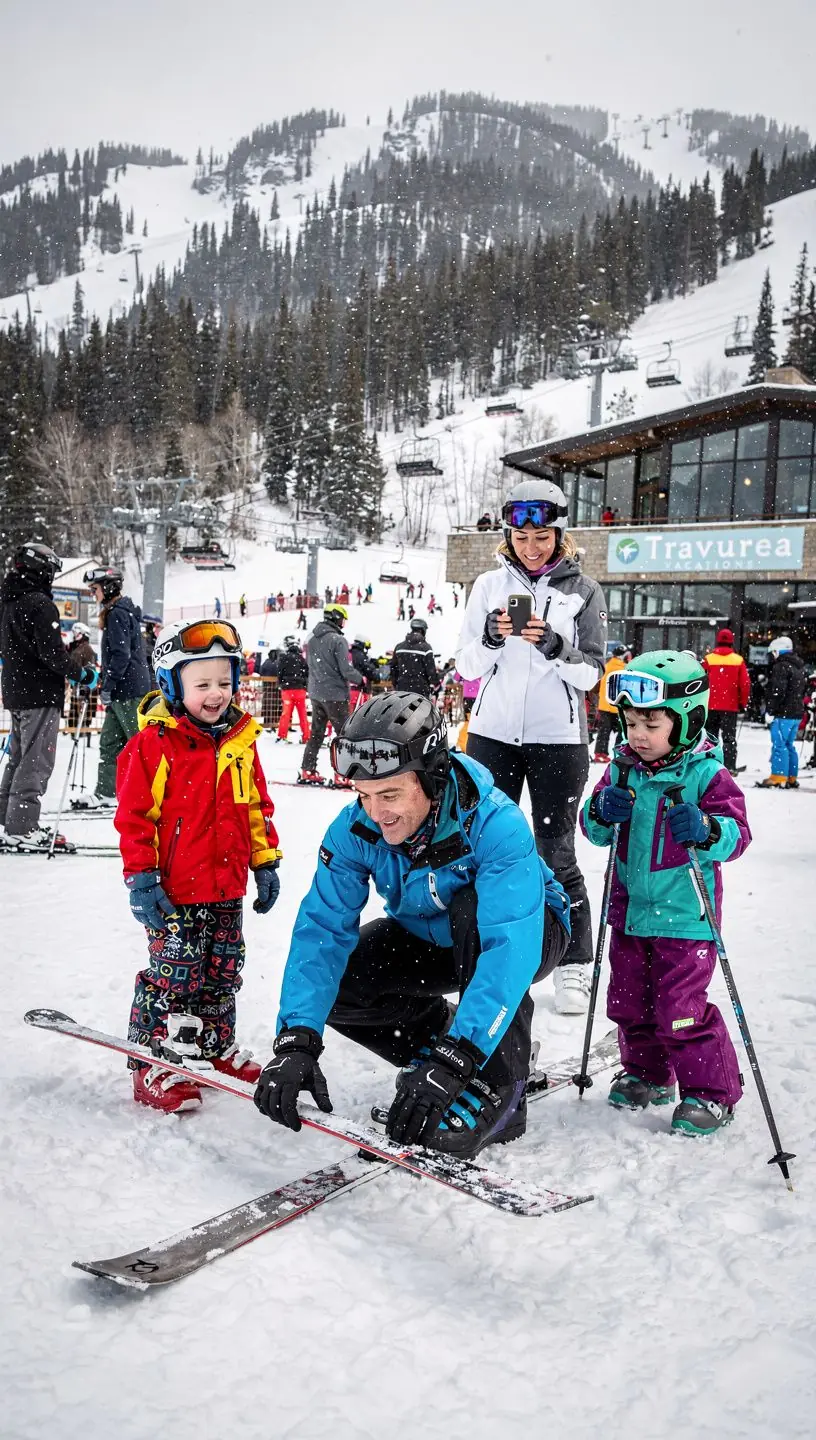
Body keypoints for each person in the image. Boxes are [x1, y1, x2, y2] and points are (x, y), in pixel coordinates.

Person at [253, 693, 570, 1156]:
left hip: (530, 932)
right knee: (344, 979)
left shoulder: (496, 823)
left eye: (390, 795)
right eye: (363, 795)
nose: (376, 813)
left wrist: (460, 1059)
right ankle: (439, 1042)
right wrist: (296, 1040)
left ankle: (500, 1087)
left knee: (471, 908)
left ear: (432, 776)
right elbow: (322, 932)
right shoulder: (354, 829)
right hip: (429, 933)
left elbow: (509, 951)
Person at [581, 650, 751, 1136]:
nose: (638, 734)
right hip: (629, 912)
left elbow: (737, 835)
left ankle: (711, 1092)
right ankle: (647, 1073)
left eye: (651, 725)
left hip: (685, 916)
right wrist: (601, 810)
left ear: (688, 719)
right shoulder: (621, 770)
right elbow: (593, 830)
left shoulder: (707, 775)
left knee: (680, 1010)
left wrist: (707, 828)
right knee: (629, 1002)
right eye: (631, 722)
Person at [455, 475, 606, 1015]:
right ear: (509, 537)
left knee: (555, 851)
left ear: (559, 535)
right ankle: (480, 952)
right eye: (521, 538)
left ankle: (574, 963)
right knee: (479, 847)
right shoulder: (487, 587)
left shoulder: (583, 591)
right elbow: (465, 665)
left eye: (542, 537)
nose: (532, 547)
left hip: (557, 740)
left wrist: (555, 646)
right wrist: (492, 638)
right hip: (492, 735)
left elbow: (592, 672)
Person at [117, 619, 282, 1112]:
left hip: (227, 886)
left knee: (222, 972)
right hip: (175, 892)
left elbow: (255, 807)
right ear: (172, 685)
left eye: (225, 682)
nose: (216, 694)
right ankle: (153, 1060)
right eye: (202, 684)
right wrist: (141, 878)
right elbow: (135, 817)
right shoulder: (154, 745)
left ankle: (213, 1045)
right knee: (173, 976)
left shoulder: (239, 743)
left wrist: (264, 861)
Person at [0, 542, 93, 851]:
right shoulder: (40, 605)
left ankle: (7, 821)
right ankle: (22, 828)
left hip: (16, 692)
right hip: (39, 693)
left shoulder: (9, 601)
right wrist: (81, 673)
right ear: (42, 570)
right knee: (36, 761)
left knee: (19, 758)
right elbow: (53, 655)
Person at [81, 565, 151, 809]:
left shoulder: (118, 614)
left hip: (129, 691)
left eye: (95, 589)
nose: (93, 594)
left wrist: (107, 685)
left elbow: (121, 655)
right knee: (110, 743)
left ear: (108, 588)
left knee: (140, 745)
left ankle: (154, 795)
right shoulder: (116, 612)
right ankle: (107, 792)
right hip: (121, 691)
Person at [299, 603, 362, 787]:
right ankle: (342, 774)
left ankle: (307, 769)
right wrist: (361, 679)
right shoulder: (338, 640)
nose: (344, 623)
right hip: (335, 695)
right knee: (343, 735)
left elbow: (310, 665)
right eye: (343, 619)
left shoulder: (312, 639)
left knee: (316, 733)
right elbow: (345, 669)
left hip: (316, 693)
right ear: (337, 618)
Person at [756, 635, 809, 789]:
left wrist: (770, 710)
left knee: (779, 744)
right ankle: (791, 777)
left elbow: (777, 691)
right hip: (796, 713)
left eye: (773, 653)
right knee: (789, 745)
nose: (772, 656)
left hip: (783, 713)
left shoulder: (781, 666)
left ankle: (778, 777)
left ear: (778, 651)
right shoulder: (799, 666)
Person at [702, 629, 750, 776]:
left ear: (718, 640)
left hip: (710, 705)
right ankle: (729, 766)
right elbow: (745, 684)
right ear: (731, 642)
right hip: (730, 706)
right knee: (729, 738)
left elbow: (700, 679)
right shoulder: (738, 660)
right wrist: (742, 703)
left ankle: (709, 764)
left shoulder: (708, 659)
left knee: (710, 737)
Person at [593, 645, 629, 762]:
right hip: (618, 706)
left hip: (604, 705)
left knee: (604, 731)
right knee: (622, 732)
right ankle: (620, 753)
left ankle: (600, 753)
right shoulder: (625, 669)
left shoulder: (606, 666)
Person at [390, 617, 439, 698]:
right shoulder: (426, 648)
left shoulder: (399, 647)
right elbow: (431, 674)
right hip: (420, 692)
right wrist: (436, 681)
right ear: (423, 630)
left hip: (401, 691)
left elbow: (393, 669)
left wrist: (396, 684)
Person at [66, 622, 99, 738]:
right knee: (75, 710)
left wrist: (84, 684)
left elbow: (90, 669)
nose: (74, 635)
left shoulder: (86, 649)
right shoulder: (75, 647)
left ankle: (81, 731)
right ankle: (74, 731)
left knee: (81, 710)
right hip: (76, 685)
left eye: (76, 632)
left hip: (83, 687)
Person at [276, 636, 311, 743]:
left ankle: (282, 736)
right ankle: (306, 736)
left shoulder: (284, 658)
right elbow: (307, 673)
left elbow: (279, 673)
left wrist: (281, 683)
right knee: (302, 715)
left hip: (287, 690)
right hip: (300, 690)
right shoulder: (301, 659)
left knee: (285, 714)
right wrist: (304, 685)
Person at [349, 634, 379, 709]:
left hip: (346, 690)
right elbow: (371, 673)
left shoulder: (348, 653)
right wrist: (375, 670)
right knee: (359, 713)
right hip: (359, 691)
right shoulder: (360, 656)